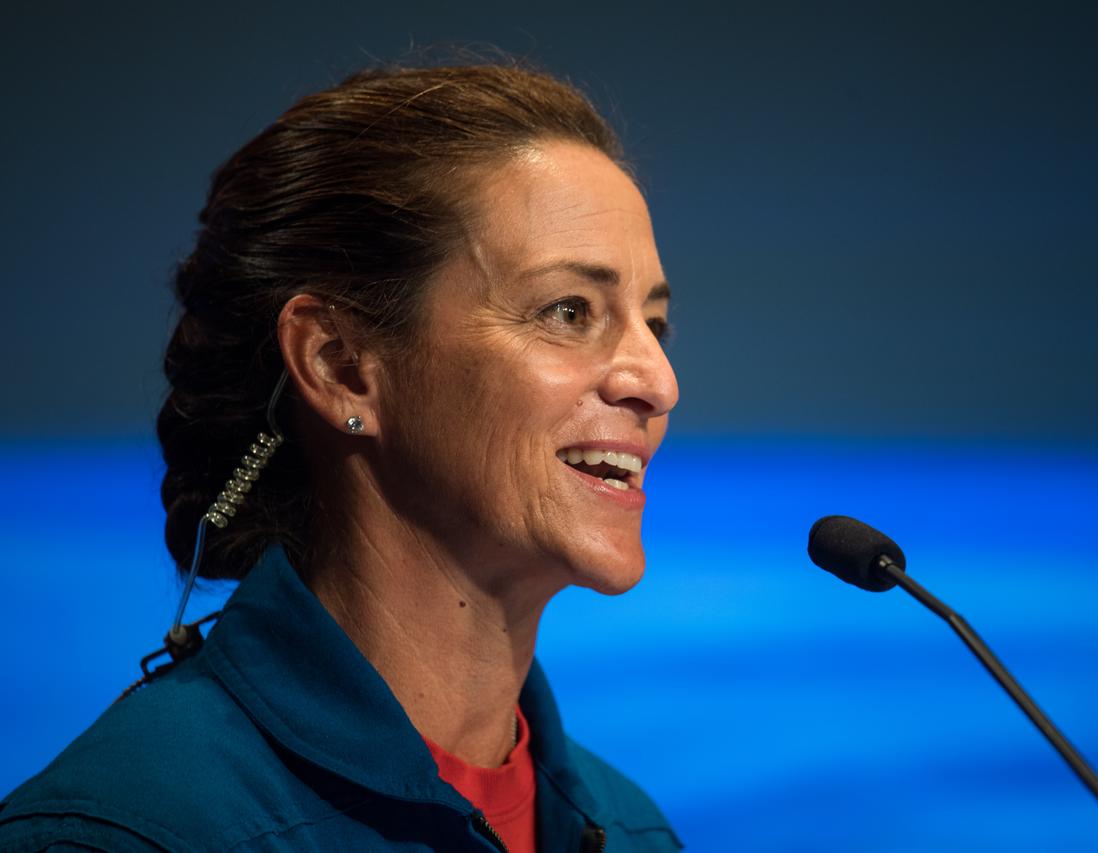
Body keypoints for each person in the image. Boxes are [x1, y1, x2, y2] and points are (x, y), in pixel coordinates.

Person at [0, 63, 682, 852]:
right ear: (340, 364)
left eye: (654, 324)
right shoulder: (126, 835)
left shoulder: (632, 829)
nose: (658, 382)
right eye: (570, 311)